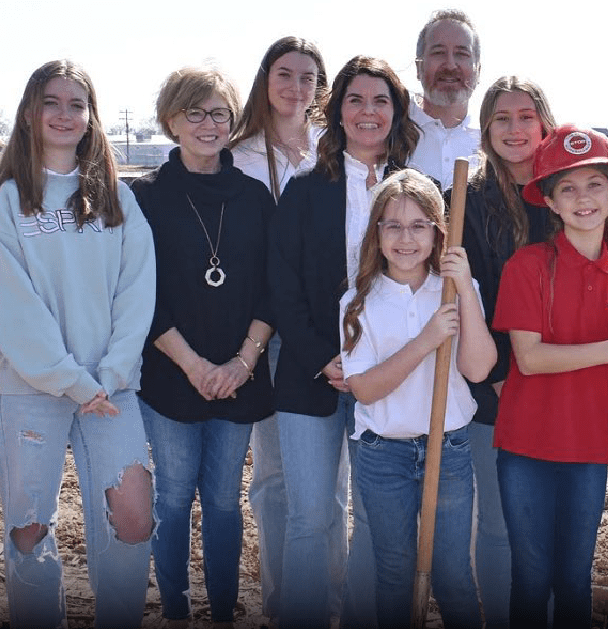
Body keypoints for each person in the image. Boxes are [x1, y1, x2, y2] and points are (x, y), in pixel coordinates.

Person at [0, 59, 155, 629]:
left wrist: (108, 374)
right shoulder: (8, 201)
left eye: (76, 105)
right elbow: (12, 308)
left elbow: (137, 291)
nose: (65, 114)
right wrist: (71, 380)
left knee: (133, 519)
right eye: (52, 103)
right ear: (31, 114)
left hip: (112, 387)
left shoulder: (117, 199)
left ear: (91, 119)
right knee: (28, 528)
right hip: (32, 387)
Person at [267, 54, 419, 629]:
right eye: (354, 99)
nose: (367, 111)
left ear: (396, 112)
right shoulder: (306, 192)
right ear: (336, 112)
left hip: (389, 377)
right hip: (312, 374)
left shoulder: (419, 191)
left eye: (380, 100)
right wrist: (324, 358)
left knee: (376, 521)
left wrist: (382, 364)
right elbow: (282, 286)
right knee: (311, 516)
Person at [492, 125, 608, 628]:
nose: (582, 198)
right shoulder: (528, 266)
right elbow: (531, 358)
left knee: (574, 580)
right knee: (532, 576)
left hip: (588, 447)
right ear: (551, 201)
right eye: (568, 188)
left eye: (593, 185)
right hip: (527, 446)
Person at [132, 67, 275, 628]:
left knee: (221, 500)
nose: (208, 124)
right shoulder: (143, 197)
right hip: (169, 376)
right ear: (171, 119)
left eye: (218, 113)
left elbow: (272, 287)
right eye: (194, 113)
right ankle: (174, 610)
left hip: (239, 374)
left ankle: (222, 611)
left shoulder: (255, 197)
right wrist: (193, 365)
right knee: (172, 497)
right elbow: (138, 294)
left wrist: (242, 362)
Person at [340, 168, 496, 629]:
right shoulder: (359, 301)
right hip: (381, 454)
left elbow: (478, 368)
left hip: (446, 448)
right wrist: (427, 340)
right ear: (377, 233)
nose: (405, 238)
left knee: (452, 575)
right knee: (393, 571)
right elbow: (364, 388)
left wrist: (466, 289)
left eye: (418, 226)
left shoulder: (453, 291)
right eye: (393, 225)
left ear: (437, 233)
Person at [229, 36, 341, 627]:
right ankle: (283, 603)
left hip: (322, 334)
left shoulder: (334, 148)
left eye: (308, 77)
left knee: (330, 482)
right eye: (285, 74)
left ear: (321, 89)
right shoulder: (240, 154)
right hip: (264, 334)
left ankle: (331, 600)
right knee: (273, 476)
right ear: (265, 79)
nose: (296, 87)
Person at [458, 75, 556, 629]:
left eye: (525, 116)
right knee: (497, 523)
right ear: (486, 128)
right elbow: (471, 293)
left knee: (551, 523)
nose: (514, 129)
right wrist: (497, 372)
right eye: (502, 118)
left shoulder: (570, 191)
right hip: (494, 383)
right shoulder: (469, 202)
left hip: (562, 377)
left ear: (544, 121)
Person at [407, 8, 482, 190]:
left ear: (478, 70)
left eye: (461, 54)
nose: (450, 64)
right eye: (438, 53)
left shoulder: (491, 142)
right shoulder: (392, 133)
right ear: (418, 67)